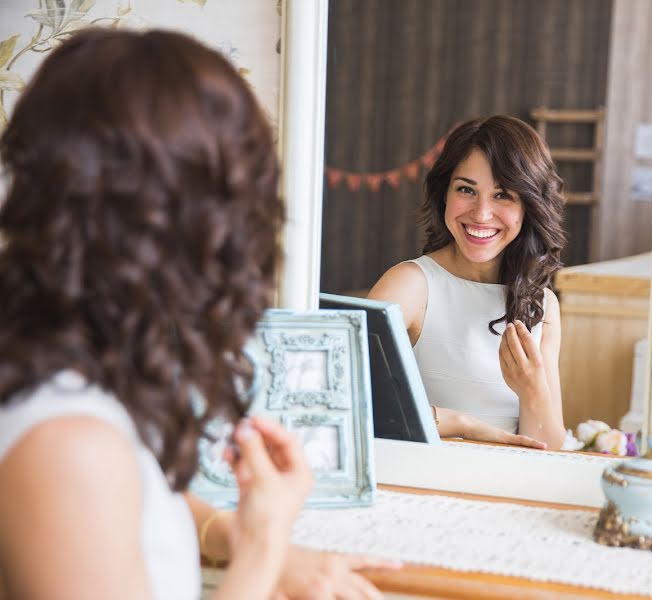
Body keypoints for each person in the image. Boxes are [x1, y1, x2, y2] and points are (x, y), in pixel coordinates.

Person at [0, 29, 393, 599]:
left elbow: (130, 500)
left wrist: (234, 533)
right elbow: (90, 481)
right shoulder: (70, 447)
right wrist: (262, 548)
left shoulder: (68, 373)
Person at [368, 115, 568, 450]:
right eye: (466, 189)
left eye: (503, 195)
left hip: (504, 490)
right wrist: (458, 423)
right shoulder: (411, 285)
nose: (481, 213)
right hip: (424, 486)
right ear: (444, 194)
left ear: (528, 206)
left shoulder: (543, 304)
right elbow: (341, 395)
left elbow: (548, 451)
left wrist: (532, 392)